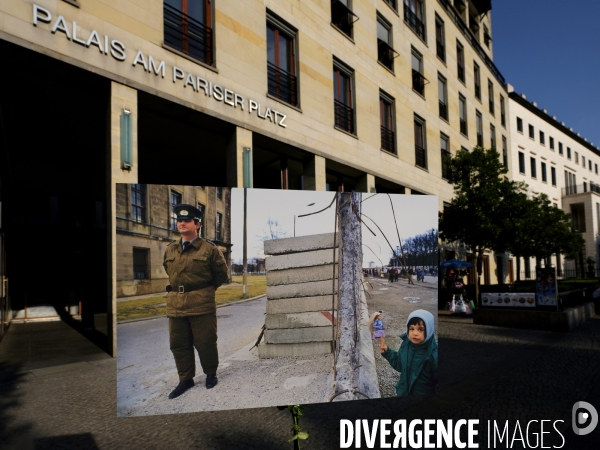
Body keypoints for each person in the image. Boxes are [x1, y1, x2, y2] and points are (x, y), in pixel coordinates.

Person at [163, 204, 229, 399]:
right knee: (178, 343)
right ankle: (186, 379)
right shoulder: (170, 249)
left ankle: (210, 374)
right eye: (180, 221)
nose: (182, 223)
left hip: (201, 303)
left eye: (187, 221)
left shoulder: (209, 249)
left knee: (205, 341)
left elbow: (220, 275)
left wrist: (204, 291)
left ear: (197, 224)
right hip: (176, 304)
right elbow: (170, 273)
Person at [379, 309, 438, 396]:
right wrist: (388, 352)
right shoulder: (406, 345)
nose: (415, 333)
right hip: (402, 393)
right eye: (411, 329)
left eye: (420, 329)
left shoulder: (434, 355)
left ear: (429, 330)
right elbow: (399, 365)